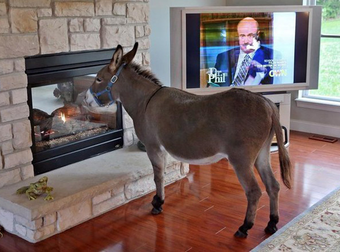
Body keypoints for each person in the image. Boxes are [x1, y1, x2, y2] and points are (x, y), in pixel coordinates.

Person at [214, 17, 274, 86]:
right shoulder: (223, 57)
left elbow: (275, 87)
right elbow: (212, 86)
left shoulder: (271, 55)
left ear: (258, 35)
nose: (246, 41)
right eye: (242, 36)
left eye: (250, 35)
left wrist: (263, 71)